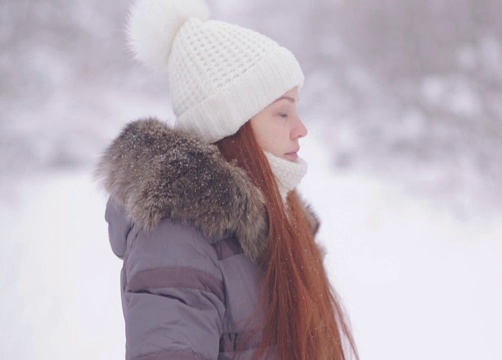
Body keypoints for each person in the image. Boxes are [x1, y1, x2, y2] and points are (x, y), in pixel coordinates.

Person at [95, 0, 358, 359]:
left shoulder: (278, 220)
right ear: (230, 123)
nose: (301, 129)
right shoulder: (174, 239)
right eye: (282, 112)